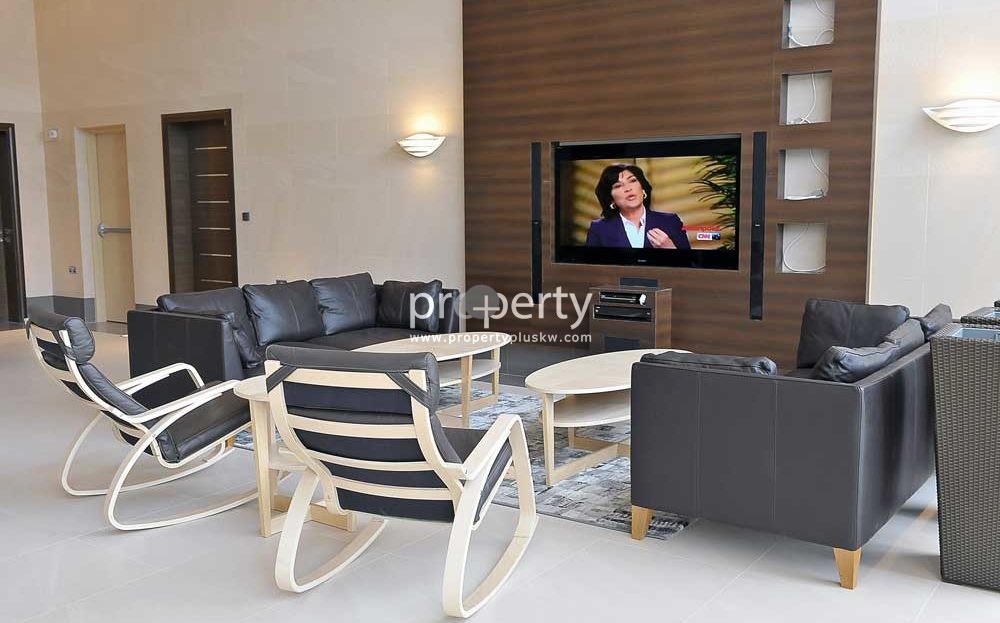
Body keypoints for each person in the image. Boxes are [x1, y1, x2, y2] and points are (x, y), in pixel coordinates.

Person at [584, 163, 691, 249]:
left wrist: (670, 248)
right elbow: (590, 266)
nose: (628, 188)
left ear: (643, 188)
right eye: (618, 186)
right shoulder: (599, 229)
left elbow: (690, 263)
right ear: (611, 199)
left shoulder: (670, 221)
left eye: (632, 181)